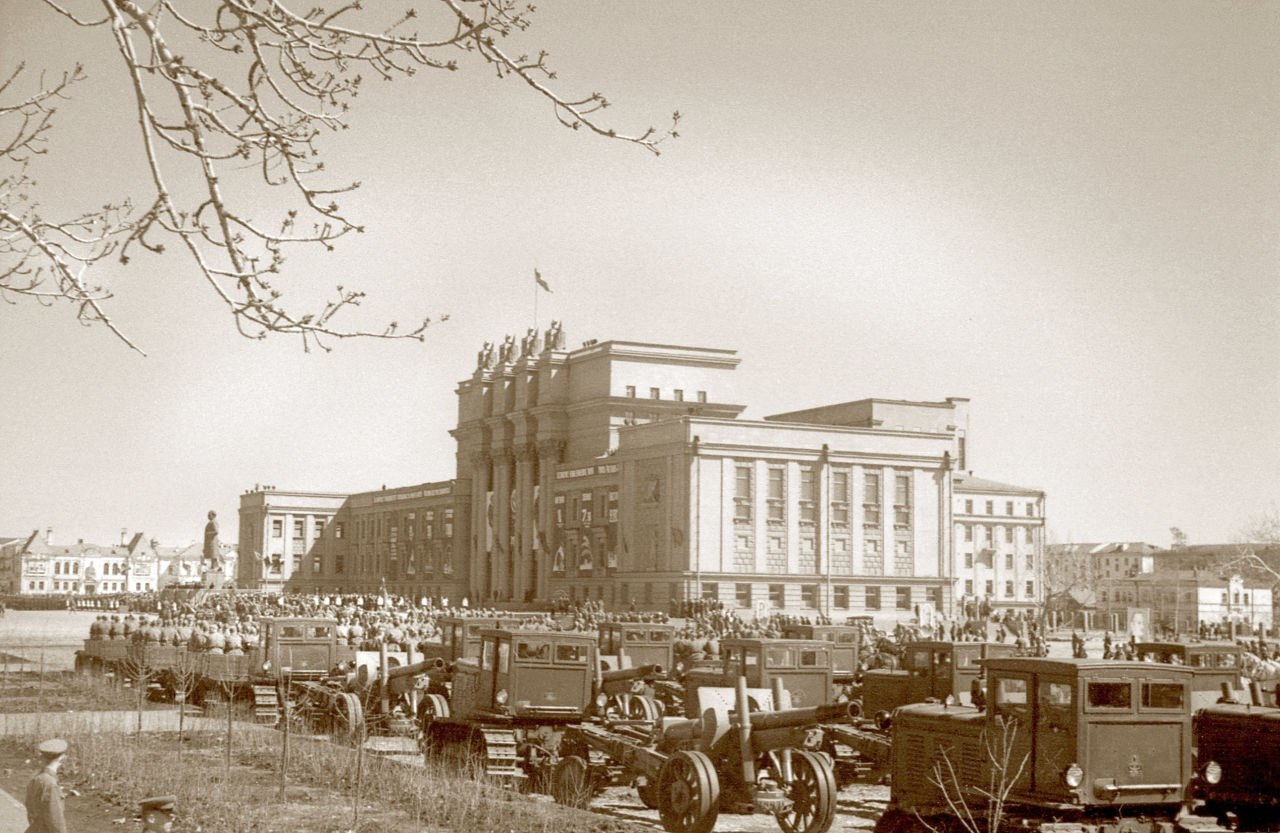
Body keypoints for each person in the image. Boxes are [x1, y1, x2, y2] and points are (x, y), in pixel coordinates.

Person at [25, 738, 69, 833]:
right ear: (62, 758)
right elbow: (56, 821)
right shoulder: (50, 783)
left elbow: (28, 804)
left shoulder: (36, 777)